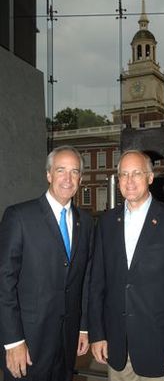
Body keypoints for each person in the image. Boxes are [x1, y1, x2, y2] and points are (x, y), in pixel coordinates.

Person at [89, 150, 164, 381]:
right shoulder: (107, 222)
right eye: (124, 174)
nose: (129, 181)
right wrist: (97, 334)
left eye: (136, 173)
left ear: (150, 177)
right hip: (117, 349)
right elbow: (97, 283)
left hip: (159, 349)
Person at [0, 145, 94, 381]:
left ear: (80, 178)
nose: (68, 178)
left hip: (67, 340)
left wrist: (83, 327)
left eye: (74, 172)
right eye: (61, 170)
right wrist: (13, 341)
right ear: (49, 175)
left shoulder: (86, 222)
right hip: (27, 343)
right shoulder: (19, 217)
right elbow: (4, 282)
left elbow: (85, 279)